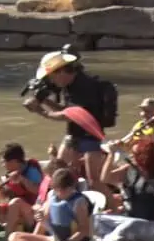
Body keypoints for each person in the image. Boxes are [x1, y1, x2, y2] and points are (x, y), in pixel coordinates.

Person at [23, 50, 117, 200]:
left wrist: (40, 111)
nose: (52, 81)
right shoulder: (69, 85)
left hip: (89, 136)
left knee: (94, 181)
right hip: (74, 134)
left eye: (52, 76)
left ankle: (115, 208)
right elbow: (66, 109)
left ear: (61, 72)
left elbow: (68, 116)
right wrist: (44, 100)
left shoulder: (84, 87)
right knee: (58, 169)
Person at [0, 168, 92, 241]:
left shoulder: (79, 202)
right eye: (57, 190)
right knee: (14, 237)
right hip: (54, 239)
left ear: (71, 188)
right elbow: (42, 222)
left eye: (62, 190)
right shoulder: (52, 195)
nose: (59, 193)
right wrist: (39, 221)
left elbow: (84, 230)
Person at [101, 139, 154, 221]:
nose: (131, 156)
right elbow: (105, 178)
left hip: (138, 221)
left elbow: (105, 178)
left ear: (143, 159)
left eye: (134, 155)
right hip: (148, 221)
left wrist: (112, 154)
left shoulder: (128, 171)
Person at [0, 143, 43, 235]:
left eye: (4, 162)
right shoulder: (10, 173)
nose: (2, 165)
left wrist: (22, 180)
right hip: (20, 211)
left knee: (15, 203)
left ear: (14, 161)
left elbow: (39, 191)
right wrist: (4, 188)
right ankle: (15, 228)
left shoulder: (32, 170)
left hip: (34, 212)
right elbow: (3, 197)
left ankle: (8, 237)